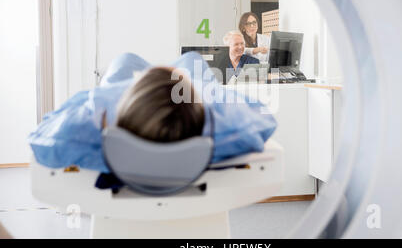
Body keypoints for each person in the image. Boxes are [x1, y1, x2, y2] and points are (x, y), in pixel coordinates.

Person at [28, 52, 277, 175]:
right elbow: (263, 117)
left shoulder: (96, 118)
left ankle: (160, 75)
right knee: (190, 58)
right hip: (187, 96)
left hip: (128, 99)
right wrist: (210, 96)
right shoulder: (222, 128)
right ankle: (169, 75)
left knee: (125, 59)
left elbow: (43, 133)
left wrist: (93, 100)